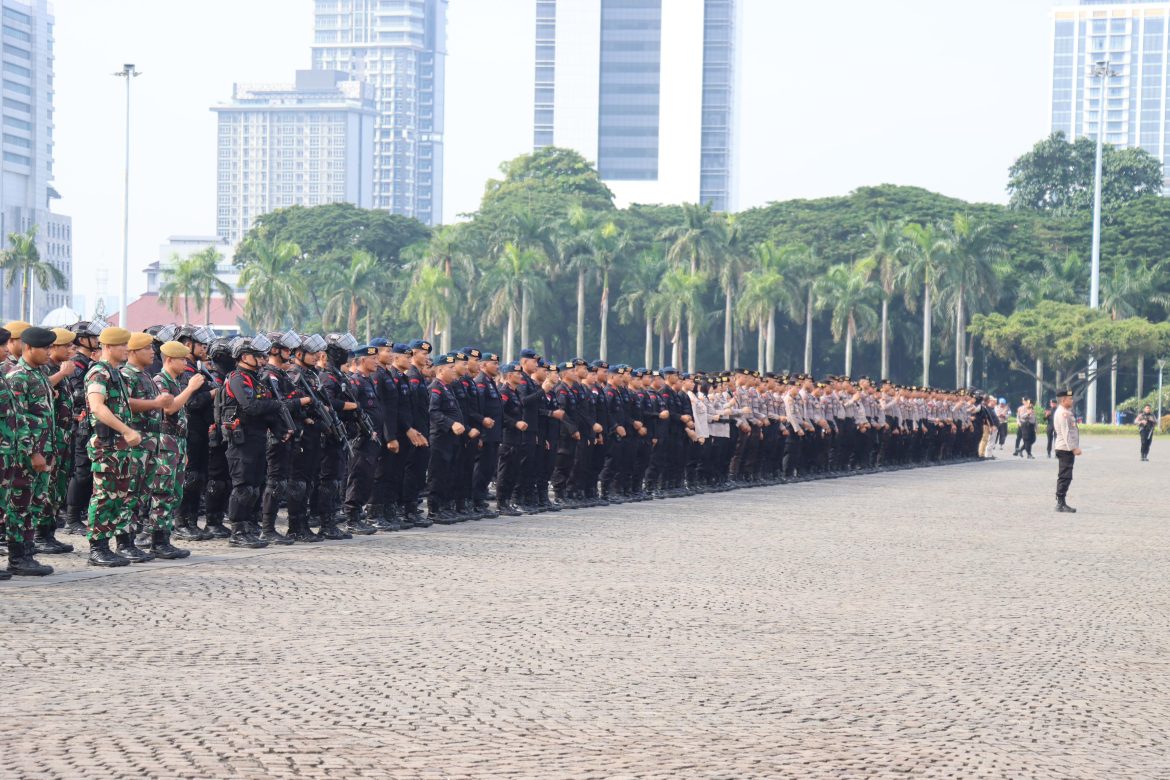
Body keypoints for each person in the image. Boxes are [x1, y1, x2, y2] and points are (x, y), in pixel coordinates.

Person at [84, 327, 145, 567]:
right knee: (103, 496)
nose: (126, 350)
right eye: (122, 346)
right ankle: (97, 548)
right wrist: (126, 430)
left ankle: (106, 545)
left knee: (118, 496)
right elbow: (98, 407)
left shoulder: (115, 373)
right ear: (108, 347)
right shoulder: (99, 372)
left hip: (119, 447)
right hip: (106, 444)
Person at [6, 326, 60, 575]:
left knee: (36, 503)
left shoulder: (39, 373)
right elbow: (19, 419)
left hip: (45, 449)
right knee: (20, 504)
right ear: (28, 348)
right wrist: (31, 452)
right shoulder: (19, 376)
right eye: (45, 348)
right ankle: (17, 557)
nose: (49, 352)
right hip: (28, 454)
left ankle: (28, 552)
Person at [1052, 389, 1081, 513]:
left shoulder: (1065, 411)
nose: (1072, 400)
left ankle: (1061, 501)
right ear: (1063, 400)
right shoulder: (1063, 413)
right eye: (1070, 398)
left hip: (1064, 448)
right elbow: (1066, 432)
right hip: (1065, 448)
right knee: (1065, 476)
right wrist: (1073, 448)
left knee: (1066, 475)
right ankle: (1060, 503)